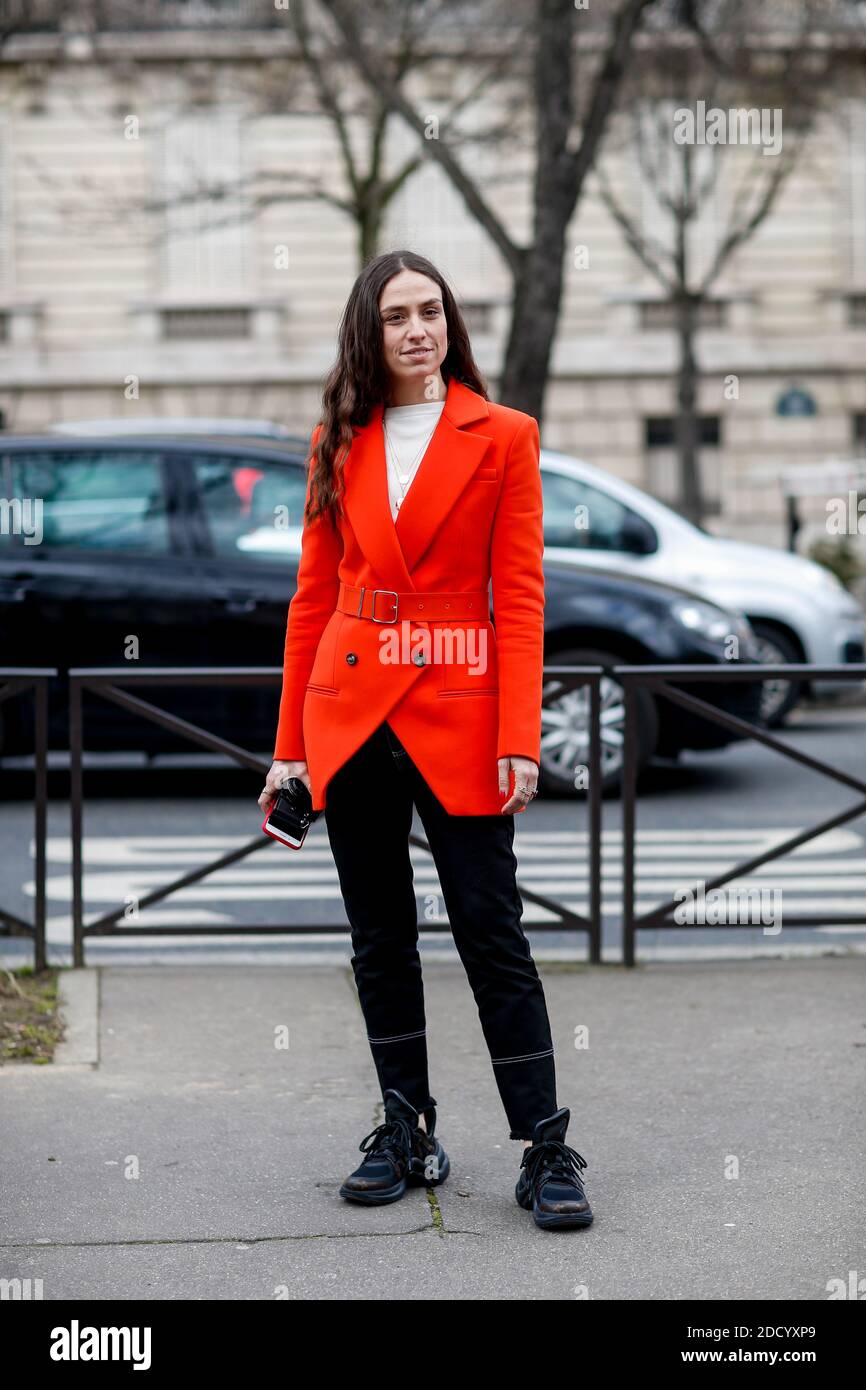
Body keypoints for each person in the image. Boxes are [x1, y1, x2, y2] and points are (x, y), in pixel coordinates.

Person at [258, 250, 592, 1231]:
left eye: (431, 312)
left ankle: (544, 1144)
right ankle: (405, 1126)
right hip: (353, 713)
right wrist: (291, 749)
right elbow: (311, 600)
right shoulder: (338, 437)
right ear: (369, 329)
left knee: (493, 933)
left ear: (449, 326)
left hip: (459, 709)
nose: (416, 329)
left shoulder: (502, 436)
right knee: (379, 940)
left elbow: (520, 597)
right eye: (397, 314)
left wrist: (518, 734)